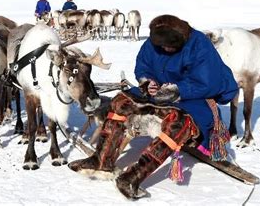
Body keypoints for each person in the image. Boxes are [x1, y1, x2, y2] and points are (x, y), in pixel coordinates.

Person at [68, 14, 239, 200]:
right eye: (161, 46)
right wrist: (146, 81)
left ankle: (131, 177)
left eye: (169, 47)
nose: (164, 49)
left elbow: (209, 81)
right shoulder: (154, 40)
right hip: (158, 93)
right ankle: (102, 160)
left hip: (193, 97)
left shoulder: (199, 45)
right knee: (120, 102)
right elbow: (143, 65)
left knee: (178, 122)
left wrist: (178, 89)